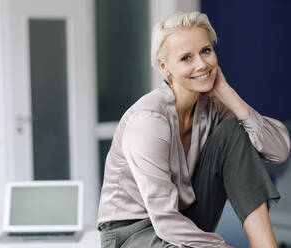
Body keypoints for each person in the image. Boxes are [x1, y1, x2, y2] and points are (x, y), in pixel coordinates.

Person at [97, 11, 290, 248]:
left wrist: (228, 94)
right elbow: (165, 220)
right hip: (134, 231)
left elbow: (278, 151)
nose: (201, 64)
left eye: (206, 51)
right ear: (164, 67)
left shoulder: (212, 108)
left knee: (234, 131)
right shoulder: (147, 121)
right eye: (186, 58)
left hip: (186, 219)